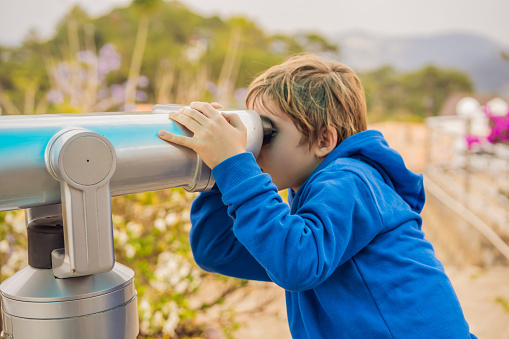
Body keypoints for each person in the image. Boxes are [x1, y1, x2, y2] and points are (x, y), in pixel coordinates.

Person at [158, 54, 476, 338]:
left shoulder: (353, 180)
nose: (253, 146)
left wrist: (235, 164)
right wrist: (221, 174)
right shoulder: (313, 200)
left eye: (267, 132)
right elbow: (218, 251)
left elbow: (297, 263)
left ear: (324, 139)